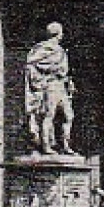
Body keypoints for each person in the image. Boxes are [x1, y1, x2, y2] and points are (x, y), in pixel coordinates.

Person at [24, 22, 76, 155]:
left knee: (68, 116)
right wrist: (47, 73)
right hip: (50, 85)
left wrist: (67, 81)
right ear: (57, 34)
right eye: (61, 32)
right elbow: (31, 64)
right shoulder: (44, 48)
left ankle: (65, 145)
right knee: (49, 115)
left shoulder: (60, 50)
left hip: (61, 86)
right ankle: (46, 146)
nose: (62, 35)